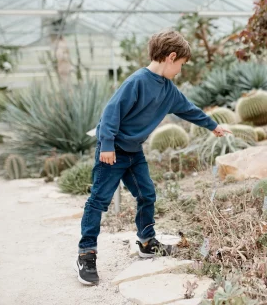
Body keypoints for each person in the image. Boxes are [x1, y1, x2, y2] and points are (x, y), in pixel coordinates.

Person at [75, 29, 231, 285]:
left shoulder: (168, 90)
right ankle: (86, 254)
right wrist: (106, 145)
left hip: (134, 152)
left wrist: (213, 126)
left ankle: (147, 241)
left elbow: (188, 110)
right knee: (98, 202)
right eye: (181, 64)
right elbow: (111, 112)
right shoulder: (136, 82)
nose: (180, 70)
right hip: (112, 152)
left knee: (146, 194)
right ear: (171, 57)